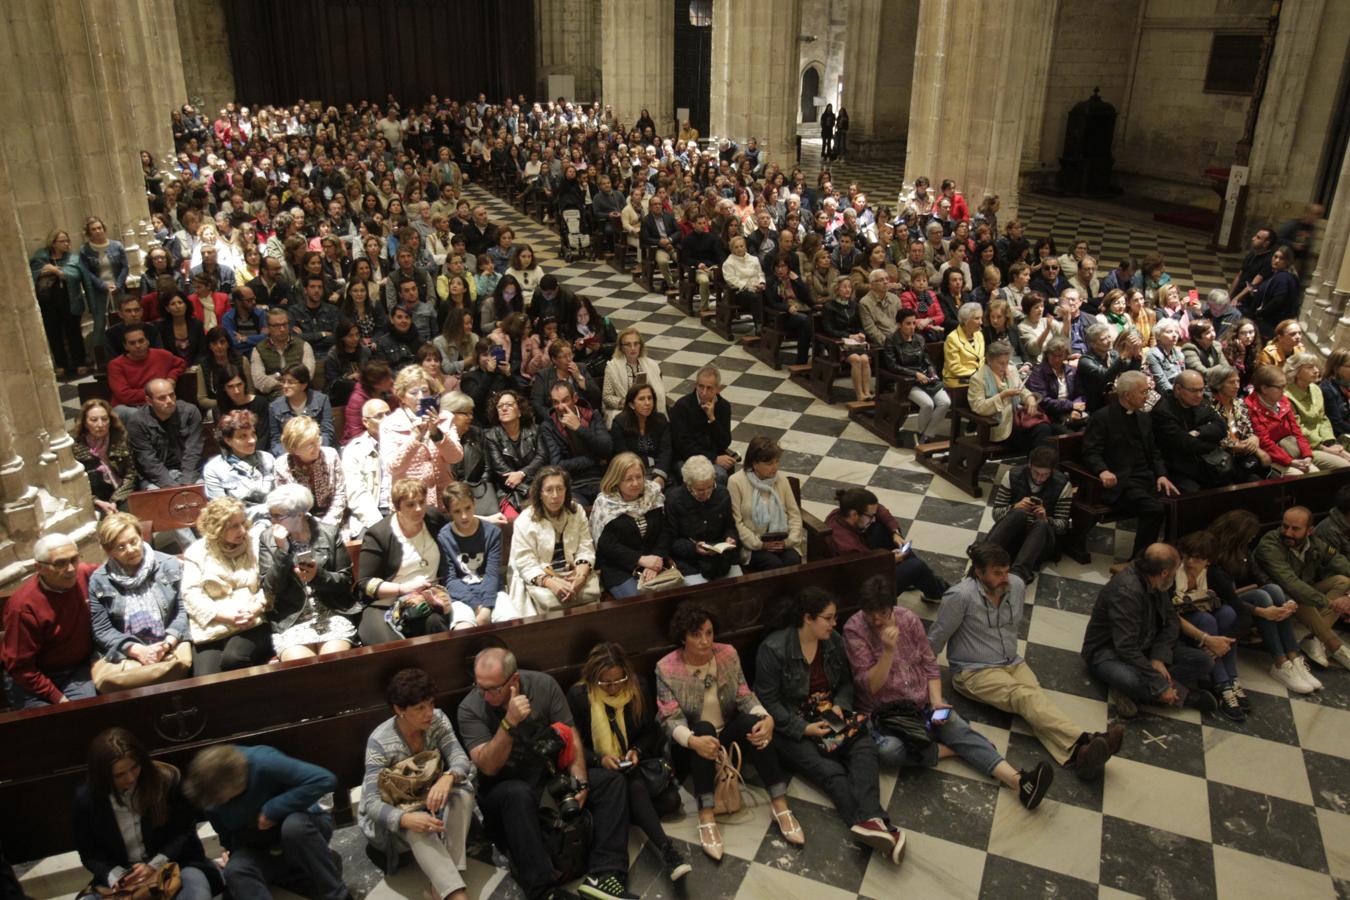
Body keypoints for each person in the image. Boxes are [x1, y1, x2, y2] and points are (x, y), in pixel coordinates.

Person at [843, 576, 1054, 810]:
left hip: (920, 701)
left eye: (881, 612)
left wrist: (935, 702)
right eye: (869, 613)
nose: (876, 619)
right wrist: (888, 653)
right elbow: (869, 686)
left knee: (954, 724)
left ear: (891, 606)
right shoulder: (855, 630)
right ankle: (950, 750)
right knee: (888, 751)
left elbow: (930, 665)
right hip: (883, 714)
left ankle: (1020, 781)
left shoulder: (908, 619)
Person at [456, 647, 639, 900]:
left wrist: (581, 782)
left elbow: (570, 733)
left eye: (494, 689)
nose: (486, 695)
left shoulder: (543, 685)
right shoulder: (469, 708)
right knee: (518, 794)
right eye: (480, 687)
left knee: (612, 782)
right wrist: (508, 723)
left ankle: (606, 874)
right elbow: (488, 766)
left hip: (545, 775)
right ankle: (543, 891)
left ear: (514, 681)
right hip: (502, 790)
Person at [932, 543, 1123, 778]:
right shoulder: (960, 597)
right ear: (979, 573)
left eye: (1006, 571)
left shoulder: (1017, 585)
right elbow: (936, 638)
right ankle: (1086, 739)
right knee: (1025, 697)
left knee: (1034, 702)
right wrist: (923, 682)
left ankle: (1077, 756)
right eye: (997, 573)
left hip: (1012, 661)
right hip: (973, 671)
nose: (1005, 578)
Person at [754, 589, 906, 862]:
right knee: (831, 771)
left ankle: (872, 822)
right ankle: (879, 827)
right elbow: (767, 701)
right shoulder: (773, 649)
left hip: (827, 713)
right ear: (808, 618)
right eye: (828, 618)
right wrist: (803, 729)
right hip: (791, 724)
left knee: (863, 747)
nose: (835, 623)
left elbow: (846, 683)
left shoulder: (832, 641)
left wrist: (840, 705)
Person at [655, 601, 799, 861]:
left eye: (709, 633)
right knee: (703, 728)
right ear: (682, 637)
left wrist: (766, 718)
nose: (705, 641)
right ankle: (706, 815)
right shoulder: (666, 667)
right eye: (696, 635)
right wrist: (694, 741)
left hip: (727, 737)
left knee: (753, 723)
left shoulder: (727, 654)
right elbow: (670, 719)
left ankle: (779, 804)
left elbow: (745, 696)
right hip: (690, 745)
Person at [566, 643, 691, 883]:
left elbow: (650, 731)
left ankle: (625, 812)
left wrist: (637, 750)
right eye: (606, 683)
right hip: (598, 770)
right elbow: (576, 744)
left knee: (670, 801)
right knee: (631, 786)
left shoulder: (637, 687)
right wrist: (600, 759)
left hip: (629, 764)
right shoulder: (579, 696)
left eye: (618, 680)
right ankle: (669, 852)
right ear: (593, 678)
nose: (613, 688)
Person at [361, 668, 473, 900]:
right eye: (420, 708)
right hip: (398, 809)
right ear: (399, 710)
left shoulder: (438, 719)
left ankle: (440, 887)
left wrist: (447, 777)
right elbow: (371, 803)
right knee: (417, 828)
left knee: (463, 794)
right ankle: (456, 894)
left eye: (431, 704)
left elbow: (461, 759)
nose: (429, 713)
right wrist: (405, 818)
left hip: (430, 797)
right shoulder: (379, 741)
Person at [183, 744, 346, 900]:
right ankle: (293, 870)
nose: (218, 805)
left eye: (221, 800)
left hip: (305, 831)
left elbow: (324, 779)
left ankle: (337, 895)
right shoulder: (210, 795)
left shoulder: (262, 760)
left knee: (294, 827)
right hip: (261, 846)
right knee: (236, 870)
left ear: (234, 782)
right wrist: (231, 852)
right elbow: (225, 832)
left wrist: (273, 809)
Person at [75, 728, 221, 900]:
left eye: (134, 767)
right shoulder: (87, 800)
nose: (130, 778)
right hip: (121, 876)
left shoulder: (167, 782)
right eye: (119, 775)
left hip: (176, 865)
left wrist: (154, 865)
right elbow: (89, 853)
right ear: (103, 776)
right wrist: (119, 876)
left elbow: (185, 833)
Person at [1082, 543, 1220, 718]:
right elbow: (1125, 646)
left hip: (1147, 645)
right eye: (1176, 569)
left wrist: (1158, 656)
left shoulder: (1157, 581)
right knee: (1130, 679)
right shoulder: (1127, 591)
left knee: (1204, 661)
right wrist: (1159, 682)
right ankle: (1186, 697)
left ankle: (1134, 693)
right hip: (1108, 652)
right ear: (1164, 572)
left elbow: (1171, 620)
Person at [1208, 509, 1319, 693]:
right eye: (1250, 536)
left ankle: (1293, 656)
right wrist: (1262, 612)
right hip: (1221, 602)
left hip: (1238, 597)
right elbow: (1227, 598)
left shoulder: (1242, 550)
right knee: (1262, 597)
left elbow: (1261, 577)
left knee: (1273, 590)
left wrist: (1287, 601)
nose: (1252, 539)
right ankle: (1280, 662)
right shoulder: (1214, 556)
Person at [357, 477, 472, 644]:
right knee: (389, 648)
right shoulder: (379, 534)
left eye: (421, 502)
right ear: (397, 507)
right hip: (386, 603)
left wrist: (487, 520)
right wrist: (403, 588)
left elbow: (460, 523)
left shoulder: (432, 518)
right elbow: (365, 584)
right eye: (410, 504)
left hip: (427, 600)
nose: (419, 509)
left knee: (435, 625)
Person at [1082, 370, 1177, 561]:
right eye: (1143, 392)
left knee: (1180, 501)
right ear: (1127, 395)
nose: (1147, 396)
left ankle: (1168, 556)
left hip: (1147, 478)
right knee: (1154, 509)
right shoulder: (1103, 417)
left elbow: (1154, 451)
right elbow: (1090, 451)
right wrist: (1103, 470)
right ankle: (1140, 561)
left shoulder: (1143, 417)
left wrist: (1161, 474)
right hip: (1122, 481)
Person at [87, 513, 190, 687]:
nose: (131, 549)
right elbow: (102, 629)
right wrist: (137, 651)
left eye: (133, 541)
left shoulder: (168, 565)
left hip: (168, 644)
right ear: (109, 551)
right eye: (121, 547)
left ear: (141, 536)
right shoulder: (100, 580)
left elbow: (183, 610)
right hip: (127, 653)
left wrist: (166, 644)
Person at [259, 484, 357, 661]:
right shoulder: (267, 538)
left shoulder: (329, 533)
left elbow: (346, 581)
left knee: (333, 661)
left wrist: (317, 577)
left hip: (331, 612)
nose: (272, 521)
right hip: (292, 618)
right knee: (302, 667)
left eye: (278, 516)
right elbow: (270, 589)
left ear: (300, 515)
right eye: (271, 515)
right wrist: (282, 551)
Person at [1, 533, 97, 707]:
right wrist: (58, 698)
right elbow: (20, 667)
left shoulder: (84, 574)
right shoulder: (23, 607)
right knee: (55, 726)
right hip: (30, 680)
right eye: (60, 563)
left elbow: (116, 569)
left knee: (86, 717)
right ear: (39, 567)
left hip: (76, 670)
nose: (70, 569)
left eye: (74, 559)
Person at [181, 497, 272, 676]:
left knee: (234, 659)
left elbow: (271, 584)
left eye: (243, 523)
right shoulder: (197, 552)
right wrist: (223, 616)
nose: (242, 530)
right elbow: (191, 594)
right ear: (217, 529)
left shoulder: (256, 544)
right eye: (234, 526)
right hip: (214, 624)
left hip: (254, 621)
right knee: (205, 678)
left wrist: (256, 607)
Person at [1254, 506, 1350, 671]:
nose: (1288, 532)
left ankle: (1313, 636)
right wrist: (1332, 604)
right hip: (1281, 597)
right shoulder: (1270, 544)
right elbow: (1291, 584)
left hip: (1304, 592)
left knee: (1342, 581)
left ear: (1309, 530)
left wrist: (1348, 598)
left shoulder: (1314, 543)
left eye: (1295, 529)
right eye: (1285, 526)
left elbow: (1343, 564)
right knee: (1301, 594)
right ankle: (1334, 644)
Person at [1169, 532, 1253, 721]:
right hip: (1180, 630)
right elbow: (1168, 613)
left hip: (1209, 633)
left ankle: (1232, 678)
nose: (1190, 562)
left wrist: (1224, 644)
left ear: (1208, 561)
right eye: (1188, 556)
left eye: (1198, 558)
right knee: (1207, 620)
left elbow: (1243, 613)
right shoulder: (1174, 573)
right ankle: (1222, 684)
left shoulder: (1214, 575)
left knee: (1228, 613)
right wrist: (1212, 642)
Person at [503, 466, 601, 618]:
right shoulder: (525, 520)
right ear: (540, 493)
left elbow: (585, 547)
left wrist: (581, 575)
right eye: (549, 490)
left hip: (573, 574)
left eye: (560, 489)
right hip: (540, 577)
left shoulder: (576, 511)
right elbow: (525, 563)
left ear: (566, 491)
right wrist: (550, 582)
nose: (555, 495)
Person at [824, 488, 948, 600]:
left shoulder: (840, 513)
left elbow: (880, 509)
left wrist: (895, 533)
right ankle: (937, 591)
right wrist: (890, 559)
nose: (873, 518)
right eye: (871, 516)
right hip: (864, 587)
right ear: (854, 514)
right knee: (917, 566)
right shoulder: (848, 545)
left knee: (880, 529)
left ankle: (930, 581)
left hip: (863, 563)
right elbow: (866, 568)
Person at [591, 454, 685, 598]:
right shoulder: (605, 503)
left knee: (674, 596)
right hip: (619, 567)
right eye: (628, 479)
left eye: (639, 477)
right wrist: (640, 560)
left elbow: (666, 530)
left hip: (655, 559)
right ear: (616, 480)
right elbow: (607, 546)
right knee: (640, 599)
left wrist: (656, 558)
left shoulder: (653, 493)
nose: (635, 483)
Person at [987, 446, 1073, 584]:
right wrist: (1014, 507)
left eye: (1045, 474)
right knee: (1018, 513)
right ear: (1029, 466)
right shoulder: (1013, 475)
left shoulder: (1062, 485)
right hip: (1014, 534)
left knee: (1041, 524)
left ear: (1052, 471)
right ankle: (984, 557)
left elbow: (1063, 527)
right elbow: (996, 514)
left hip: (1041, 541)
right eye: (1036, 473)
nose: (1039, 478)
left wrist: (1046, 518)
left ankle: (1019, 574)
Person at [381, 367, 464, 509]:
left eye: (425, 391)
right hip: (409, 502)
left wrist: (436, 433)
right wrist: (415, 438)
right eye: (413, 392)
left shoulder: (445, 418)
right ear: (402, 397)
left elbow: (456, 457)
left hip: (444, 499)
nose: (421, 396)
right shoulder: (390, 423)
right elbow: (392, 467)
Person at [1151, 369, 1238, 491]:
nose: (1199, 395)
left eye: (1201, 390)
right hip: (1178, 467)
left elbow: (1221, 427)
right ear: (1177, 389)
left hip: (1205, 462)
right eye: (1193, 391)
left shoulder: (1202, 402)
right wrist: (1214, 444)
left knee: (1234, 481)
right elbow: (1183, 443)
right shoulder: (1163, 410)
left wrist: (1199, 432)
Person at [728, 436, 805, 572]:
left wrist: (788, 542)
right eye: (769, 464)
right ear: (754, 463)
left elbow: (794, 514)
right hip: (753, 545)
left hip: (782, 541)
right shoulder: (736, 482)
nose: (775, 468)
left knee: (792, 560)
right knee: (772, 564)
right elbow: (736, 522)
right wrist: (760, 544)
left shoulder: (781, 480)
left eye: (777, 462)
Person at [436, 482, 504, 626]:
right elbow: (450, 579)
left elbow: (492, 574)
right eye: (457, 511)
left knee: (510, 620)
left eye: (468, 508)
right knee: (463, 626)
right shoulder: (444, 537)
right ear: (449, 512)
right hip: (460, 596)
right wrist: (475, 605)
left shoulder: (492, 533)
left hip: (492, 592)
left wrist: (486, 608)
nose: (464, 516)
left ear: (474, 504)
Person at [664, 455, 740, 582]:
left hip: (721, 557)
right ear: (688, 485)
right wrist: (694, 548)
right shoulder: (674, 500)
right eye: (700, 490)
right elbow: (671, 541)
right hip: (690, 561)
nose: (707, 494)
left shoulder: (722, 494)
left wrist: (730, 538)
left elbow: (730, 526)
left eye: (710, 487)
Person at [968, 340, 1053, 452]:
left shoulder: (1011, 370)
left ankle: (1037, 465)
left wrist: (1030, 398)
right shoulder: (978, 378)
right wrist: (1002, 396)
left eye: (1007, 362)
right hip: (998, 427)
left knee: (1045, 428)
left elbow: (1022, 389)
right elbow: (978, 407)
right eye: (1001, 363)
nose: (1005, 367)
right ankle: (1036, 465)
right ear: (989, 360)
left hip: (1018, 420)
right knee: (1035, 439)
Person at [880, 308, 951, 442]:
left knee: (945, 402)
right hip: (906, 382)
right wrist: (915, 374)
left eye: (914, 323)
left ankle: (925, 434)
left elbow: (927, 360)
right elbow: (892, 366)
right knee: (928, 404)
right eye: (908, 324)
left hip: (925, 379)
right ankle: (923, 436)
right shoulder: (891, 340)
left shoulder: (919, 339)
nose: (912, 327)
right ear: (899, 324)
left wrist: (932, 371)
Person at [274, 417, 347, 536]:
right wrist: (313, 525)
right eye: (309, 445)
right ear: (294, 449)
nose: (317, 446)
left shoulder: (331, 455)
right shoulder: (281, 465)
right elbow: (288, 504)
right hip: (300, 520)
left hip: (334, 517)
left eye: (317, 440)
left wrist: (328, 524)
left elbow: (340, 495)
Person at [30, 228, 88, 377]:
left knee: (74, 333)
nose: (67, 243)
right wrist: (50, 269)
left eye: (68, 240)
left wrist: (56, 271)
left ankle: (80, 362)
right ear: (53, 243)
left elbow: (75, 275)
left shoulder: (73, 258)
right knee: (54, 334)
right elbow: (34, 273)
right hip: (49, 303)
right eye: (63, 241)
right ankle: (61, 364)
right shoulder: (41, 257)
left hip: (70, 301)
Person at [1245, 363, 1322, 475]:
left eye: (1285, 386)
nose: (1284, 390)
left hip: (1293, 449)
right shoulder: (1251, 407)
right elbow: (1265, 443)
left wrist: (1307, 455)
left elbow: (1297, 431)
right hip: (1273, 456)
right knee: (1305, 476)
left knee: (1328, 470)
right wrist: (1290, 461)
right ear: (1264, 388)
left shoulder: (1283, 400)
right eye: (1280, 387)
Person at [485, 388, 549, 515]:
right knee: (515, 522)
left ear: (519, 411)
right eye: (500, 406)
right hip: (508, 492)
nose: (504, 408)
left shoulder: (535, 430)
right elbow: (502, 471)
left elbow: (542, 457)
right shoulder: (491, 436)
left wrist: (522, 473)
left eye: (509, 404)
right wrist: (528, 490)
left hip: (536, 484)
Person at [669, 365, 736, 486]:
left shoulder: (723, 406)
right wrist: (714, 458)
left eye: (709, 388)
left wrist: (712, 419)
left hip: (712, 456)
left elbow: (725, 442)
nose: (704, 392)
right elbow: (682, 446)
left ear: (717, 389)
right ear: (696, 385)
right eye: (701, 386)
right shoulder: (682, 406)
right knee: (718, 475)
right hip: (686, 458)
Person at [71, 398, 136, 516]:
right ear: (85, 423)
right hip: (92, 497)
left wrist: (116, 500)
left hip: (121, 492)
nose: (100, 424)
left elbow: (130, 474)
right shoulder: (75, 445)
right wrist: (96, 501)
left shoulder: (120, 439)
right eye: (94, 420)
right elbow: (75, 484)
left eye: (104, 419)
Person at [1284, 352, 1350, 468]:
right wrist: (1325, 448)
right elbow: (1298, 429)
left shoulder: (1315, 389)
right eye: (1310, 367)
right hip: (1305, 447)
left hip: (1324, 442)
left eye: (1316, 366)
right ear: (1296, 372)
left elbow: (1323, 419)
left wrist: (1330, 442)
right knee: (1344, 466)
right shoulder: (1287, 396)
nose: (1316, 370)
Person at [108, 325, 189, 411]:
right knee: (138, 416)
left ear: (147, 341)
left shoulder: (162, 355)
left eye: (141, 341)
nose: (138, 346)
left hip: (159, 403)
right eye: (132, 343)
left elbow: (181, 364)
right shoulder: (116, 365)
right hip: (128, 407)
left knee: (189, 409)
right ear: (125, 346)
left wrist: (171, 378)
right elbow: (125, 396)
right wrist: (157, 393)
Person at [341, 398, 389, 537]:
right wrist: (380, 526)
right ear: (365, 422)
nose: (386, 420)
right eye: (379, 416)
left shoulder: (401, 442)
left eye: (388, 414)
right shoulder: (354, 451)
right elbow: (357, 494)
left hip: (399, 511)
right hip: (371, 514)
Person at [601, 327, 666, 426]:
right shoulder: (612, 367)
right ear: (621, 347)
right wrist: (627, 404)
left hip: (647, 406)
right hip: (624, 409)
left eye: (636, 344)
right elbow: (607, 396)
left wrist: (645, 404)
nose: (633, 348)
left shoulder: (651, 365)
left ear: (641, 345)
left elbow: (658, 392)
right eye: (628, 344)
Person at [267, 363, 334, 457]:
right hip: (290, 454)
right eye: (283, 381)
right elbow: (276, 440)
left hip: (317, 450)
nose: (285, 386)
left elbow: (326, 432)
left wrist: (315, 451)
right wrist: (291, 456)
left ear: (303, 385)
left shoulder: (321, 400)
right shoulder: (274, 406)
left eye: (290, 382)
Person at [1025, 337, 1085, 430]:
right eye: (1053, 355)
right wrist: (1070, 405)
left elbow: (1080, 394)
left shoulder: (1072, 371)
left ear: (1066, 355)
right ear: (1047, 354)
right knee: (1068, 435)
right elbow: (1043, 400)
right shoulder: (1038, 372)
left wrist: (1076, 409)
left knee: (1090, 428)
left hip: (1071, 412)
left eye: (1060, 355)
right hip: (1050, 416)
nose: (1057, 359)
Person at [942, 302, 985, 387]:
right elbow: (955, 367)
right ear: (965, 320)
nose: (981, 322)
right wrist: (976, 374)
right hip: (958, 379)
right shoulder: (952, 338)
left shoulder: (979, 334)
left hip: (977, 377)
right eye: (977, 318)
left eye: (981, 318)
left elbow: (981, 359)